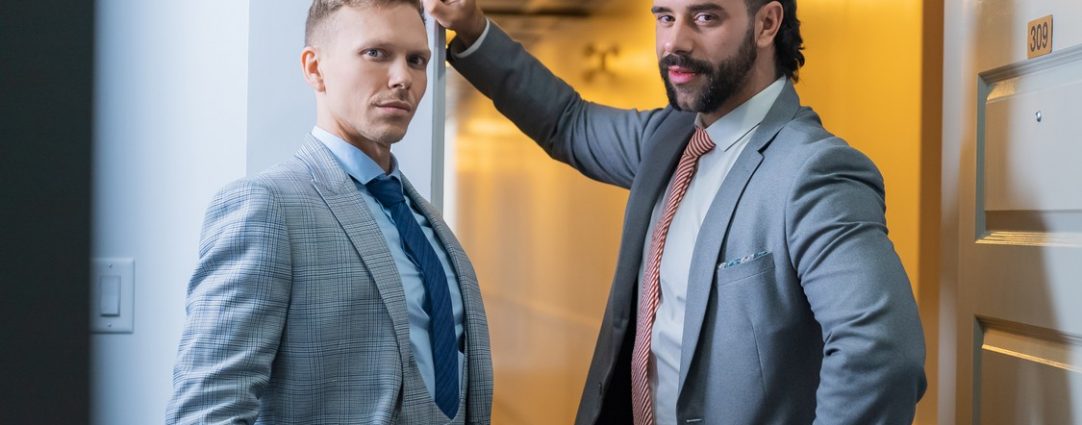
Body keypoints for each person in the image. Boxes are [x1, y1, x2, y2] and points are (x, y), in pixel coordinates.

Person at [426, 0, 926, 423]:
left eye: (705, 17)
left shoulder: (813, 171)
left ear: (767, 24)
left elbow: (880, 353)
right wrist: (471, 27)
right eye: (665, 17)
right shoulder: (668, 138)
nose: (674, 43)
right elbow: (568, 122)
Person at [166, 1, 492, 423]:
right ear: (314, 68)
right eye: (376, 53)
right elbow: (208, 410)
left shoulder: (427, 221)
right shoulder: (266, 206)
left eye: (416, 60)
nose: (402, 78)